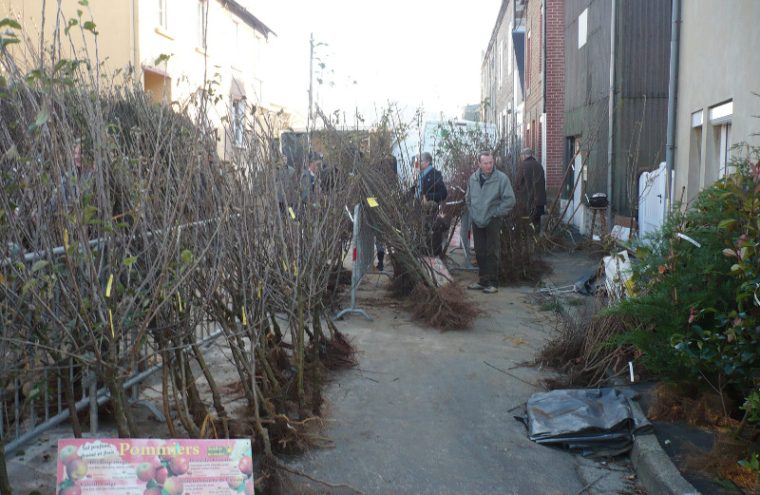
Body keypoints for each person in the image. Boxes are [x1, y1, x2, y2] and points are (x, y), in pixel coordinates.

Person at [465, 151, 516, 294]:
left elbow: (510, 200)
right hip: (477, 219)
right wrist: (473, 212)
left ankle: (493, 283)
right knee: (480, 251)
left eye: (490, 163)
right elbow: (468, 199)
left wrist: (496, 213)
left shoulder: (501, 179)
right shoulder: (473, 179)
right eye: (485, 163)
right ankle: (483, 281)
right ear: (479, 164)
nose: (488, 166)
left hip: (492, 220)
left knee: (492, 251)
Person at [411, 152, 448, 256]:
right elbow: (416, 189)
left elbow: (443, 193)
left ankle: (431, 255)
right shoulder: (421, 173)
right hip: (419, 208)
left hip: (429, 211)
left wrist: (428, 197)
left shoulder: (435, 174)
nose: (418, 163)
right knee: (419, 232)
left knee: (429, 235)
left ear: (427, 162)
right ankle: (420, 253)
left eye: (420, 161)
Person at [516, 147, 547, 231]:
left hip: (528, 201)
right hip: (540, 201)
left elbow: (518, 183)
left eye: (521, 155)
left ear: (524, 156)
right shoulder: (539, 165)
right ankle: (537, 240)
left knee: (527, 223)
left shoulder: (523, 166)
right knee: (537, 224)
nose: (521, 157)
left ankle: (529, 241)